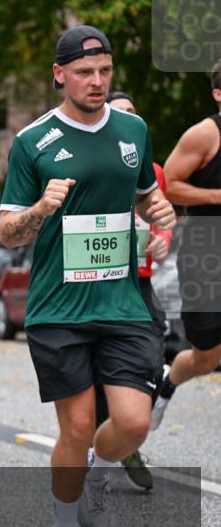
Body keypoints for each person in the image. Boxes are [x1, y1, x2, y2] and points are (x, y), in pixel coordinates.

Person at [0, 26, 176, 527]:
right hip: (58, 307)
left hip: (122, 302)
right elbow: (8, 231)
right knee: (74, 427)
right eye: (83, 73)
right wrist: (40, 210)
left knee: (134, 422)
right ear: (60, 75)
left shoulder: (133, 129)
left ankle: (98, 470)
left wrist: (160, 218)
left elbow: (145, 195)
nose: (96, 82)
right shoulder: (33, 141)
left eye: (104, 72)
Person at [89, 92, 173, 492]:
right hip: (102, 281)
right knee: (104, 368)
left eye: (132, 115)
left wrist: (162, 238)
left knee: (151, 361)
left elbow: (162, 216)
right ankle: (117, 445)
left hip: (139, 283)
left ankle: (127, 433)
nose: (126, 122)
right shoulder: (94, 163)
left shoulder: (152, 168)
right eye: (117, 114)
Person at [154, 58, 221, 427]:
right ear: (217, 93)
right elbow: (169, 183)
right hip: (206, 255)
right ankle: (167, 383)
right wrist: (216, 197)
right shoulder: (205, 135)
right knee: (205, 357)